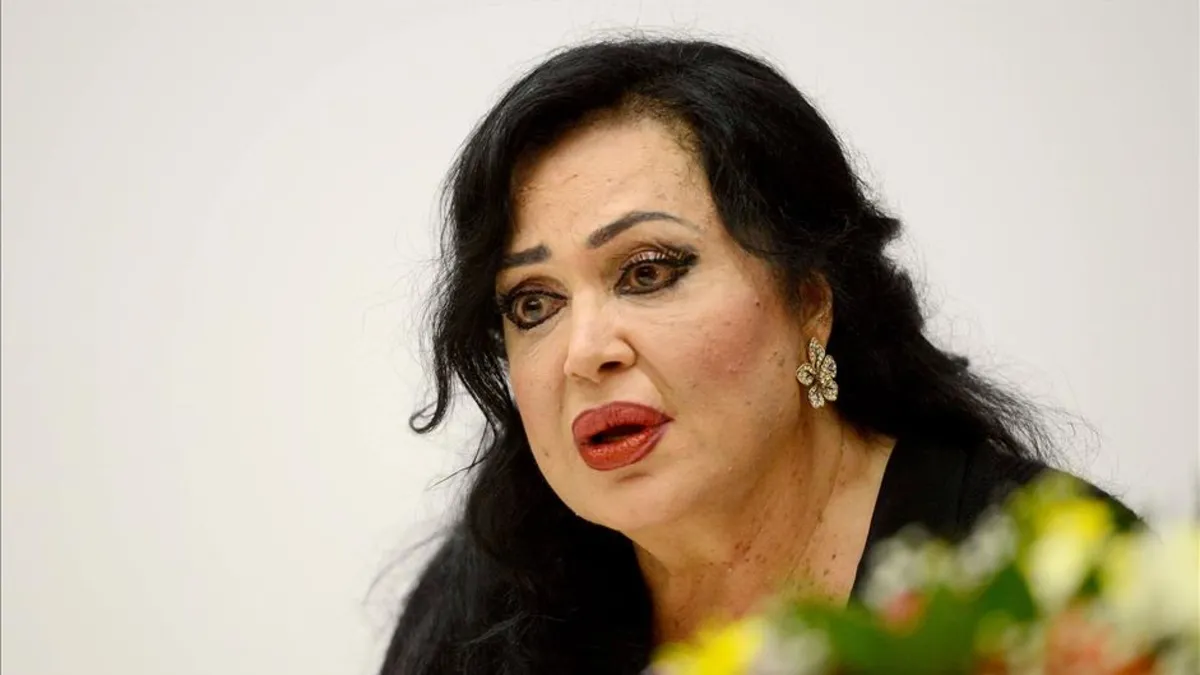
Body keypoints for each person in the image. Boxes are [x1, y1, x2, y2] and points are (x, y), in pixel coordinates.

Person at [378, 37, 1139, 675]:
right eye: (533, 304)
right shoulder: (480, 605)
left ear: (809, 301)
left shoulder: (1043, 586)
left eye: (647, 272)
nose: (584, 353)